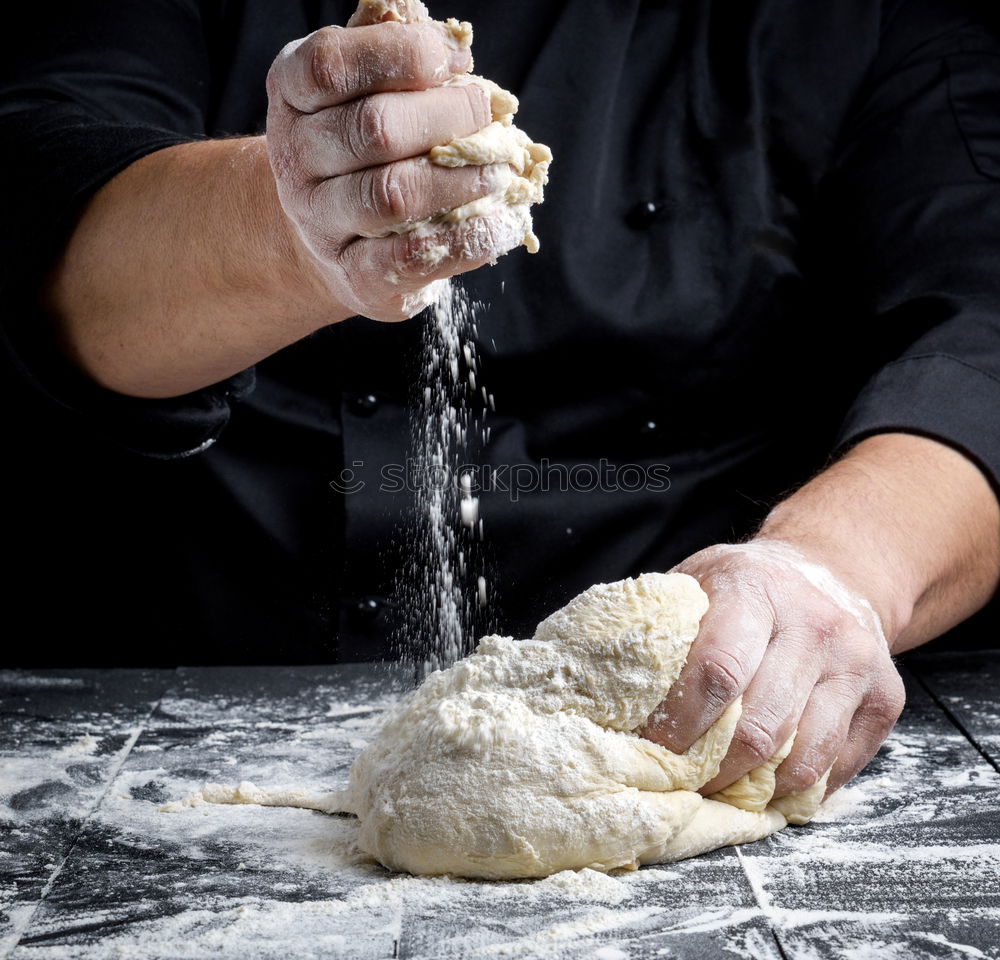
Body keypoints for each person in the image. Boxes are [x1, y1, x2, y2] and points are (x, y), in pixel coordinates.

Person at [2, 0, 998, 805]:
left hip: (681, 716)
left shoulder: (847, 23)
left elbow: (979, 330)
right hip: (166, 726)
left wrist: (835, 569)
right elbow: (38, 206)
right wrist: (283, 227)